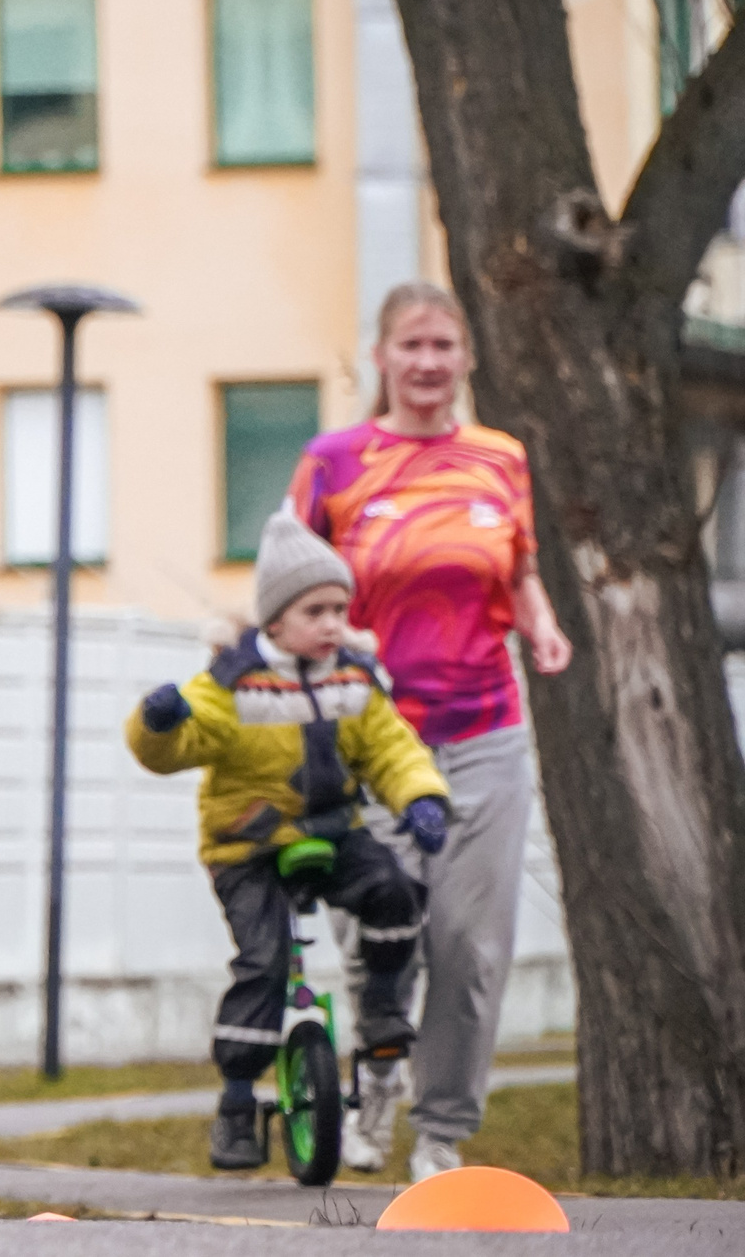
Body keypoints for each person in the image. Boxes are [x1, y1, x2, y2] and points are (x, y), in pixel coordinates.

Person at [287, 280, 572, 1182]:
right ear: (381, 357)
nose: (427, 362)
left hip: (485, 725)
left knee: (475, 944)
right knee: (384, 931)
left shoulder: (501, 458)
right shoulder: (334, 460)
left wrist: (543, 623)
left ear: (466, 358)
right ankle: (378, 1085)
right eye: (411, 345)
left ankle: (442, 1132)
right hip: (372, 735)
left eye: (444, 346)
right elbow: (285, 584)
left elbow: (517, 569)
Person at [128, 510, 449, 1172]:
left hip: (335, 829)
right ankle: (239, 1100)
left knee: (394, 887)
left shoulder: (353, 680)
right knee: (264, 961)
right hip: (247, 846)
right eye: (316, 610)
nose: (334, 622)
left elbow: (392, 748)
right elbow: (172, 748)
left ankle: (385, 1007)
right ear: (274, 620)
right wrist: (157, 723)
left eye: (340, 608)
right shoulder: (233, 681)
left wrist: (420, 798)